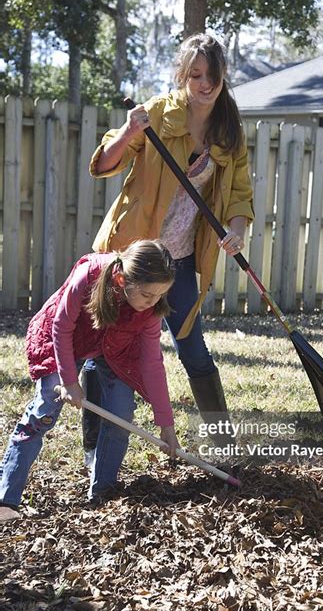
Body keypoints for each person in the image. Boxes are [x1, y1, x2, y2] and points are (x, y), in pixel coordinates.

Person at [83, 33, 254, 457]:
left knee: (193, 348)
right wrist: (127, 131)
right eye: (196, 74)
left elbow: (240, 196)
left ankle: (224, 446)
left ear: (223, 77)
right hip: (129, 254)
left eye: (212, 75)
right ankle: (95, 453)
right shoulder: (159, 113)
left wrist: (237, 231)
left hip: (177, 260)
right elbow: (103, 165)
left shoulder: (230, 132)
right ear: (183, 74)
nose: (205, 84)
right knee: (104, 348)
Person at [0, 240, 179, 523]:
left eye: (160, 295)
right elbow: (61, 327)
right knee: (44, 411)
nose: (153, 302)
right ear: (122, 279)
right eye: (147, 294)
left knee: (122, 416)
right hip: (65, 342)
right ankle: (6, 497)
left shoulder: (150, 309)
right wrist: (70, 382)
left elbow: (152, 362)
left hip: (114, 348)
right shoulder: (90, 275)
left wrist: (165, 423)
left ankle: (103, 493)